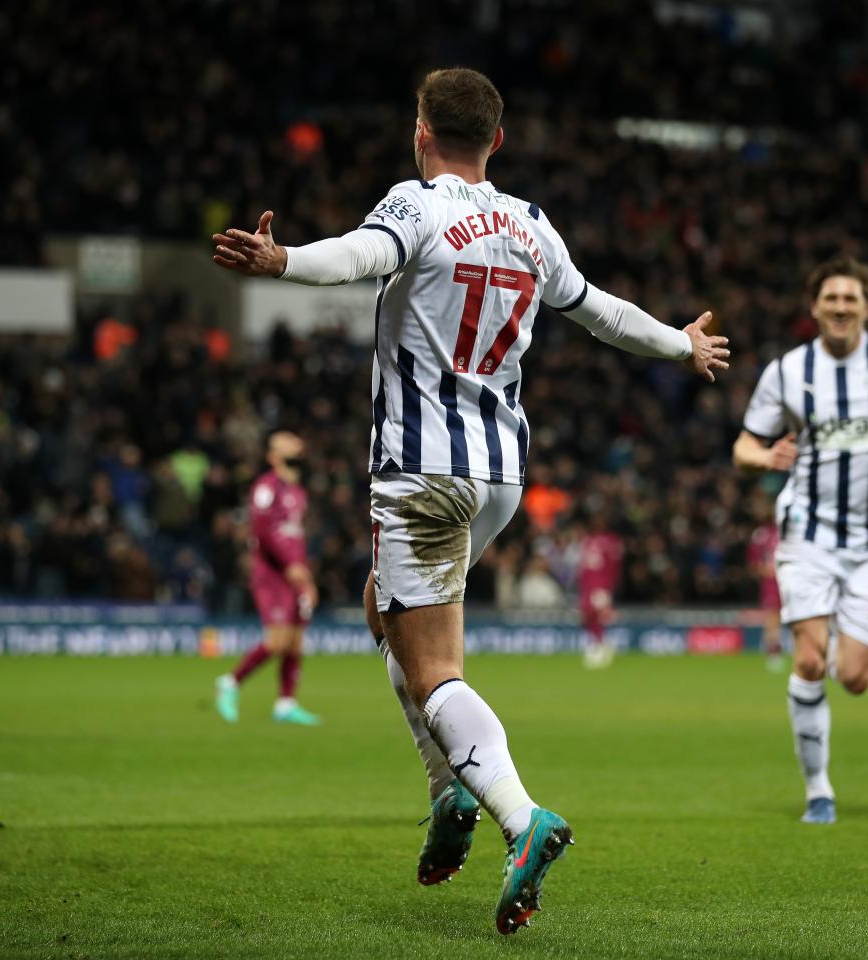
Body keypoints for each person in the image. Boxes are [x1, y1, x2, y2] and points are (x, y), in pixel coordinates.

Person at [212, 67, 729, 934]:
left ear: (421, 134)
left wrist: (281, 259)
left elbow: (358, 257)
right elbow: (600, 311)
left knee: (432, 669)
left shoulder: (416, 206)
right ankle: (449, 794)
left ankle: (519, 819)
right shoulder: (530, 223)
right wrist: (680, 343)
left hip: (421, 473)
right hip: (499, 477)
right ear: (498, 139)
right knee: (385, 610)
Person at [732, 255, 868, 825]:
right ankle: (818, 792)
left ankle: (829, 655)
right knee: (809, 659)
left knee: (854, 677)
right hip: (807, 532)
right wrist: (766, 456)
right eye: (830, 298)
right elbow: (743, 448)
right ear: (815, 307)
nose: (840, 307)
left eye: (850, 298)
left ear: (867, 307)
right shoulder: (788, 371)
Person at [214, 431, 320, 726]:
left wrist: (305, 577)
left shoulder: (298, 491)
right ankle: (230, 682)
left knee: (296, 641)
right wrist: (289, 567)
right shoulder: (265, 487)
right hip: (272, 573)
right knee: (277, 641)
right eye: (287, 442)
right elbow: (262, 530)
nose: (296, 444)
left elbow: (294, 538)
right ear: (273, 455)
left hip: (294, 571)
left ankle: (286, 703)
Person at [577, 511, 623, 669]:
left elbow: (614, 566)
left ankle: (600, 646)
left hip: (601, 584)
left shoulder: (611, 541)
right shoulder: (587, 540)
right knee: (587, 615)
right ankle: (599, 644)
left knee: (598, 614)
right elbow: (584, 565)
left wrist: (609, 586)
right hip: (588, 585)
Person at [747, 491, 786, 671]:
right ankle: (774, 653)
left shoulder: (787, 532)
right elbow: (753, 564)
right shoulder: (760, 534)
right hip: (771, 583)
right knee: (772, 619)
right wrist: (766, 570)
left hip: (790, 580)